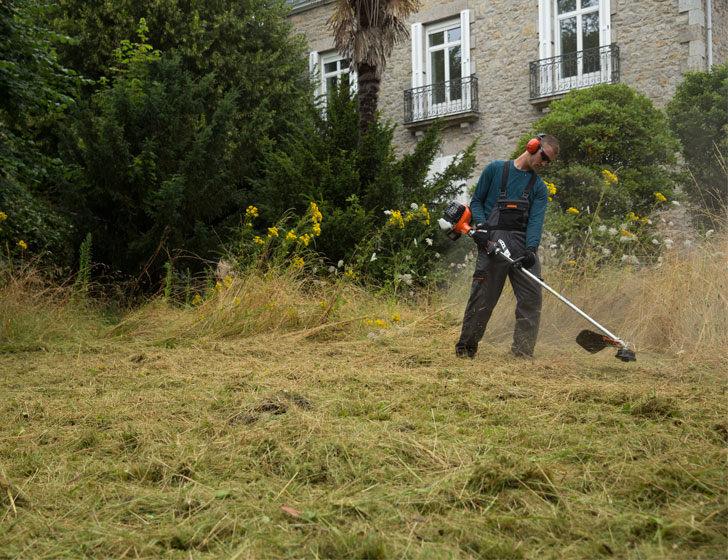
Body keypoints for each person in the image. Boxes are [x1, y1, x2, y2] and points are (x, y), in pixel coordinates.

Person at [456, 133, 559, 359]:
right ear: (533, 146)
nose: (544, 164)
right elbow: (477, 200)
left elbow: (535, 221)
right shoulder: (495, 170)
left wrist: (531, 250)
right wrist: (481, 228)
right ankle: (466, 350)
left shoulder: (539, 188)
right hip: (492, 241)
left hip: (522, 244)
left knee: (532, 298)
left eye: (548, 162)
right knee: (483, 298)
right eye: (544, 157)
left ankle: (522, 354)